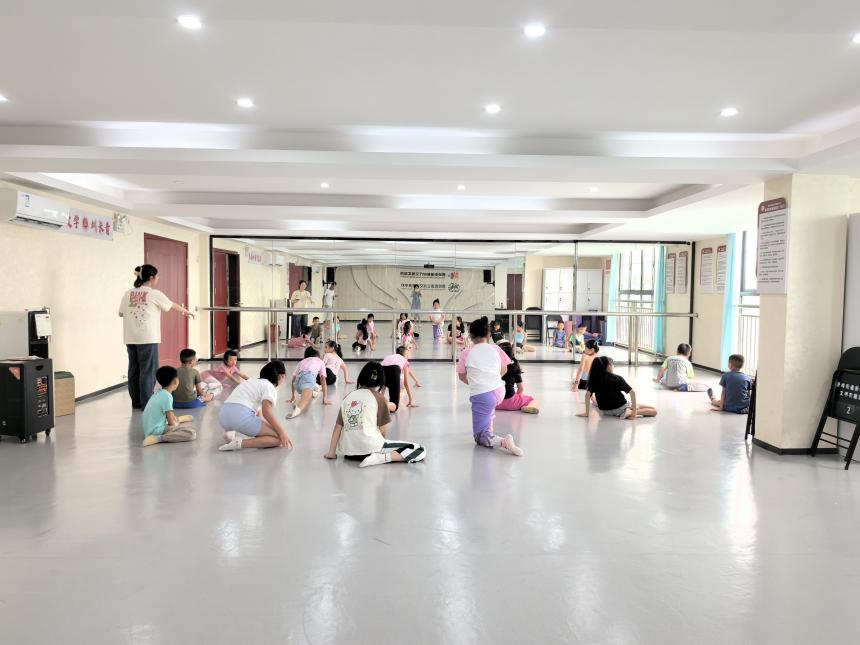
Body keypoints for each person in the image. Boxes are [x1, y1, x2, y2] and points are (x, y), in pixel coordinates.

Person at [119, 264, 194, 410]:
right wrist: (186, 311)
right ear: (152, 277)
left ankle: (136, 403)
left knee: (134, 370)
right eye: (157, 276)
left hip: (130, 337)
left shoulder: (128, 293)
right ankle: (147, 404)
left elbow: (121, 313)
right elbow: (171, 305)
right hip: (147, 338)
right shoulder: (154, 294)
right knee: (147, 371)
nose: (158, 278)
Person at [323, 362, 426, 467]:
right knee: (419, 449)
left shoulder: (347, 397)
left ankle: (373, 454)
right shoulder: (379, 398)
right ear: (381, 382)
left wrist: (332, 452)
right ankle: (380, 458)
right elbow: (383, 431)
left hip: (349, 452)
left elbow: (338, 427)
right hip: (371, 449)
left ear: (361, 377)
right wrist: (379, 446)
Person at [456, 317, 524, 456]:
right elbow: (504, 369)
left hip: (483, 394)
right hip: (499, 390)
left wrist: (477, 383)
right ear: (488, 334)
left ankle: (503, 441)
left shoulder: (466, 353)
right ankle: (490, 427)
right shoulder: (496, 348)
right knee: (488, 405)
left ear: (470, 335)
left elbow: (462, 376)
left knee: (479, 436)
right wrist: (491, 379)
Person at [217, 361, 293, 451]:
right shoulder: (269, 387)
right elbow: (267, 412)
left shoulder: (254, 380)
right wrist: (282, 432)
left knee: (269, 432)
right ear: (281, 376)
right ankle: (239, 443)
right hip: (240, 416)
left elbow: (260, 414)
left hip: (223, 415)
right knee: (279, 438)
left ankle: (230, 432)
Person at [579, 356, 658, 419]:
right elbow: (632, 393)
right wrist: (634, 412)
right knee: (654, 411)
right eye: (612, 365)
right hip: (621, 408)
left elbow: (587, 395)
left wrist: (587, 413)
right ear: (608, 366)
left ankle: (629, 410)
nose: (613, 366)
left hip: (605, 411)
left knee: (637, 406)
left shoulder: (595, 379)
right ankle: (629, 412)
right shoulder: (617, 378)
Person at [142, 366, 196, 447]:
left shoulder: (158, 392)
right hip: (156, 431)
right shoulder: (167, 396)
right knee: (191, 434)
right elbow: (171, 422)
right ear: (175, 381)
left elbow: (167, 414)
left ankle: (179, 419)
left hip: (149, 428)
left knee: (172, 420)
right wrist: (176, 425)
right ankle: (158, 438)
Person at [288, 346, 331, 418]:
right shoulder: (320, 361)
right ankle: (297, 409)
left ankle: (310, 395)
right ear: (318, 356)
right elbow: (323, 379)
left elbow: (293, 380)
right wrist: (325, 398)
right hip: (308, 378)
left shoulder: (302, 362)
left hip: (297, 383)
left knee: (308, 392)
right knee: (305, 399)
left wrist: (293, 396)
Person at [496, 343, 540, 414]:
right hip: (511, 403)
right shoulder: (514, 367)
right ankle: (526, 406)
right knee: (532, 400)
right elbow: (521, 389)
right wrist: (517, 397)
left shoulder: (495, 367)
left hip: (496, 403)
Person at [381, 346, 420, 411]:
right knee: (394, 407)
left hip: (381, 370)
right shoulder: (404, 360)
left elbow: (383, 384)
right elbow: (406, 382)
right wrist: (410, 400)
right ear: (404, 354)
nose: (408, 356)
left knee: (383, 388)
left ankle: (378, 403)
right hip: (394, 372)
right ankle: (384, 405)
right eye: (407, 354)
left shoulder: (389, 357)